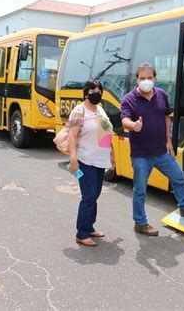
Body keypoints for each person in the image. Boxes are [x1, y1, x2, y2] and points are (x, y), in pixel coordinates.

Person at [121, 62, 184, 237]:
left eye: (149, 78)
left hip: (161, 151)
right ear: (137, 79)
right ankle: (140, 223)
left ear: (155, 78)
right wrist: (133, 126)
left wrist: (169, 140)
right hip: (141, 155)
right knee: (140, 190)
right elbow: (124, 121)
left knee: (179, 176)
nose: (146, 81)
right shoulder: (128, 99)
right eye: (142, 78)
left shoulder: (161, 95)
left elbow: (167, 117)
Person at [68, 79, 114, 247]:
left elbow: (106, 133)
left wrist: (111, 155)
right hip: (85, 159)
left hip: (100, 160)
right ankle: (81, 233)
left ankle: (89, 226)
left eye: (99, 90)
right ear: (86, 93)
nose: (97, 92)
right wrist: (73, 157)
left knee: (95, 195)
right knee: (88, 196)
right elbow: (72, 135)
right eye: (93, 90)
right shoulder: (79, 111)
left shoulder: (100, 110)